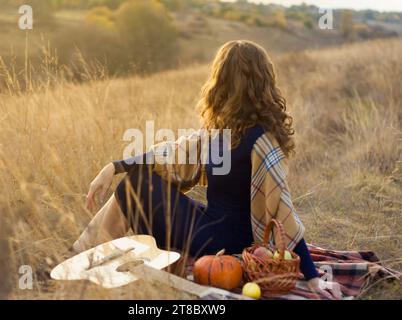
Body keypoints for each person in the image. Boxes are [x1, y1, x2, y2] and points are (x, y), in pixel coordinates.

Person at [73, 40, 342, 299]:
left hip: (229, 242)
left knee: (136, 185)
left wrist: (312, 275)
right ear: (262, 81)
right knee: (139, 178)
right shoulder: (222, 131)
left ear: (224, 79)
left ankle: (82, 259)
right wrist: (114, 166)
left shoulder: (262, 140)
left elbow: (283, 211)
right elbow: (171, 153)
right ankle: (87, 257)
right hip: (211, 224)